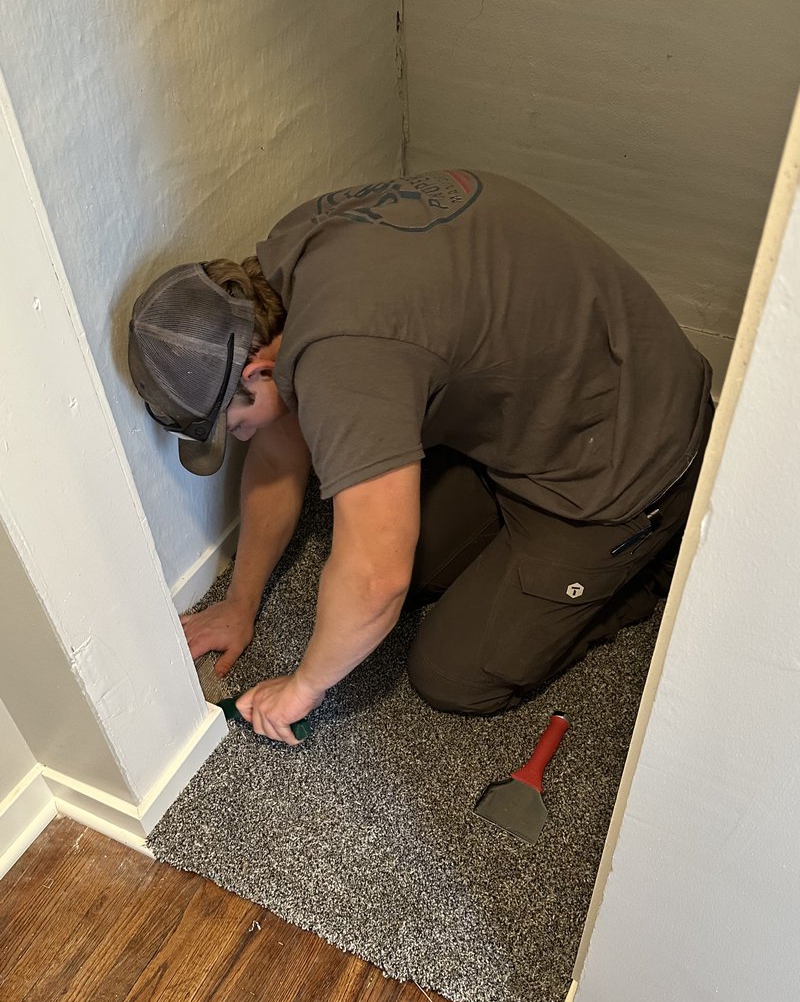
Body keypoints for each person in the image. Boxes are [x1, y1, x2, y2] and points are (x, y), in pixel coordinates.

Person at [128, 170, 713, 745]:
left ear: (257, 372)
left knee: (452, 671)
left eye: (234, 426)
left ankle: (655, 554)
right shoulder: (290, 262)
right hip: (557, 402)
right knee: (407, 567)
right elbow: (284, 437)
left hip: (627, 459)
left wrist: (304, 687)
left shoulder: (345, 362)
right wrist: (239, 600)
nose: (243, 440)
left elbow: (377, 578)